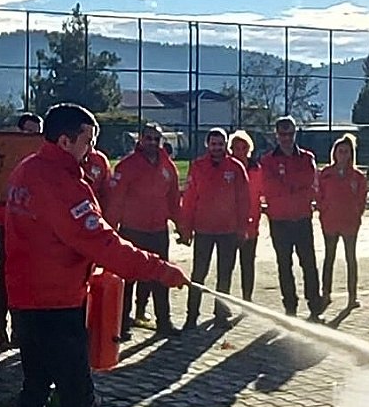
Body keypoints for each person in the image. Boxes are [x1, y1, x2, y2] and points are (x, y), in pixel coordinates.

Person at [5, 103, 187, 407]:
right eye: (86, 140)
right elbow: (101, 242)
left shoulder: (25, 172)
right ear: (64, 139)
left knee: (33, 387)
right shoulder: (63, 183)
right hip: (56, 302)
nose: (92, 149)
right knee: (78, 395)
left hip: (26, 297)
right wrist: (158, 269)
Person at [104, 123, 181, 337]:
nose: (153, 143)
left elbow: (174, 200)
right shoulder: (126, 166)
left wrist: (182, 227)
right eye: (148, 138)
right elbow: (116, 201)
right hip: (132, 231)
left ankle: (164, 322)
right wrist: (110, 230)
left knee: (161, 276)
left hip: (158, 231)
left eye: (157, 139)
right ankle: (121, 323)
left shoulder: (168, 167)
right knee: (128, 278)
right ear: (140, 139)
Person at [0, 112, 43, 347]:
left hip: (34, 228)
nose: (32, 137)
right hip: (5, 225)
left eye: (37, 133)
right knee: (4, 276)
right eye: (28, 132)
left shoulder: (41, 160)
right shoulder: (3, 158)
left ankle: (21, 329)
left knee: (29, 278)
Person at [178, 127, 249, 327]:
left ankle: (220, 313)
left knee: (225, 274)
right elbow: (190, 199)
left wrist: (242, 227)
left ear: (226, 145)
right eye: (213, 144)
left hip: (228, 230)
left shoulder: (236, 167)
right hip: (204, 230)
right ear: (207, 145)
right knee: (199, 273)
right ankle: (191, 315)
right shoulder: (198, 166)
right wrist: (186, 227)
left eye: (220, 144)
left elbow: (243, 200)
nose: (217, 147)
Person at [261, 116, 324, 320]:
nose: (286, 138)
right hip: (279, 220)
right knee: (284, 264)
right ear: (276, 135)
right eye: (282, 134)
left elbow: (311, 183)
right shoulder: (268, 160)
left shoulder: (306, 158)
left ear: (295, 133)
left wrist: (287, 185)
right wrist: (293, 186)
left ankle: (315, 306)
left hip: (302, 218)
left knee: (309, 263)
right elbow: (269, 187)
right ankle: (290, 307)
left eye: (290, 134)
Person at [316, 134, 367, 309]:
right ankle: (326, 293)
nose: (343, 155)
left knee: (350, 258)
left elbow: (362, 199)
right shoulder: (326, 174)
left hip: (350, 223)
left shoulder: (358, 177)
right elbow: (319, 195)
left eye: (346, 152)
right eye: (340, 151)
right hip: (330, 222)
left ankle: (352, 297)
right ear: (334, 153)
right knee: (329, 258)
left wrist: (356, 214)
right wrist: (324, 209)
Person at [230, 130, 262, 302]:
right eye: (236, 147)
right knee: (227, 265)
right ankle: (223, 303)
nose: (240, 151)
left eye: (244, 147)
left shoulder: (257, 170)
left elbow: (262, 193)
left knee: (247, 263)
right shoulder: (227, 168)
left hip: (251, 224)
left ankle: (247, 299)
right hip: (229, 225)